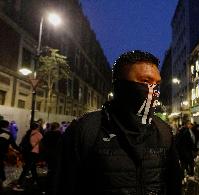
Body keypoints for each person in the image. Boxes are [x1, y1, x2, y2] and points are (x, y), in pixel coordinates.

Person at [53, 50, 182, 195]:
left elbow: (173, 184)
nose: (153, 91)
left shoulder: (163, 131)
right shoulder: (86, 130)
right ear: (120, 85)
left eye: (156, 84)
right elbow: (64, 185)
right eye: (145, 81)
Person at [13, 122, 43, 191]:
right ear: (37, 127)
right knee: (27, 169)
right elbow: (42, 145)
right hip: (34, 153)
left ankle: (36, 181)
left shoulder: (27, 133)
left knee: (32, 167)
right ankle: (20, 185)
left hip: (27, 153)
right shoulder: (39, 134)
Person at [0, 120, 20, 193]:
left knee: (1, 166)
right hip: (2, 152)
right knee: (1, 166)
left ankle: (3, 180)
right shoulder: (7, 134)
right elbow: (13, 145)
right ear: (6, 125)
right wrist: (20, 150)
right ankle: (3, 180)